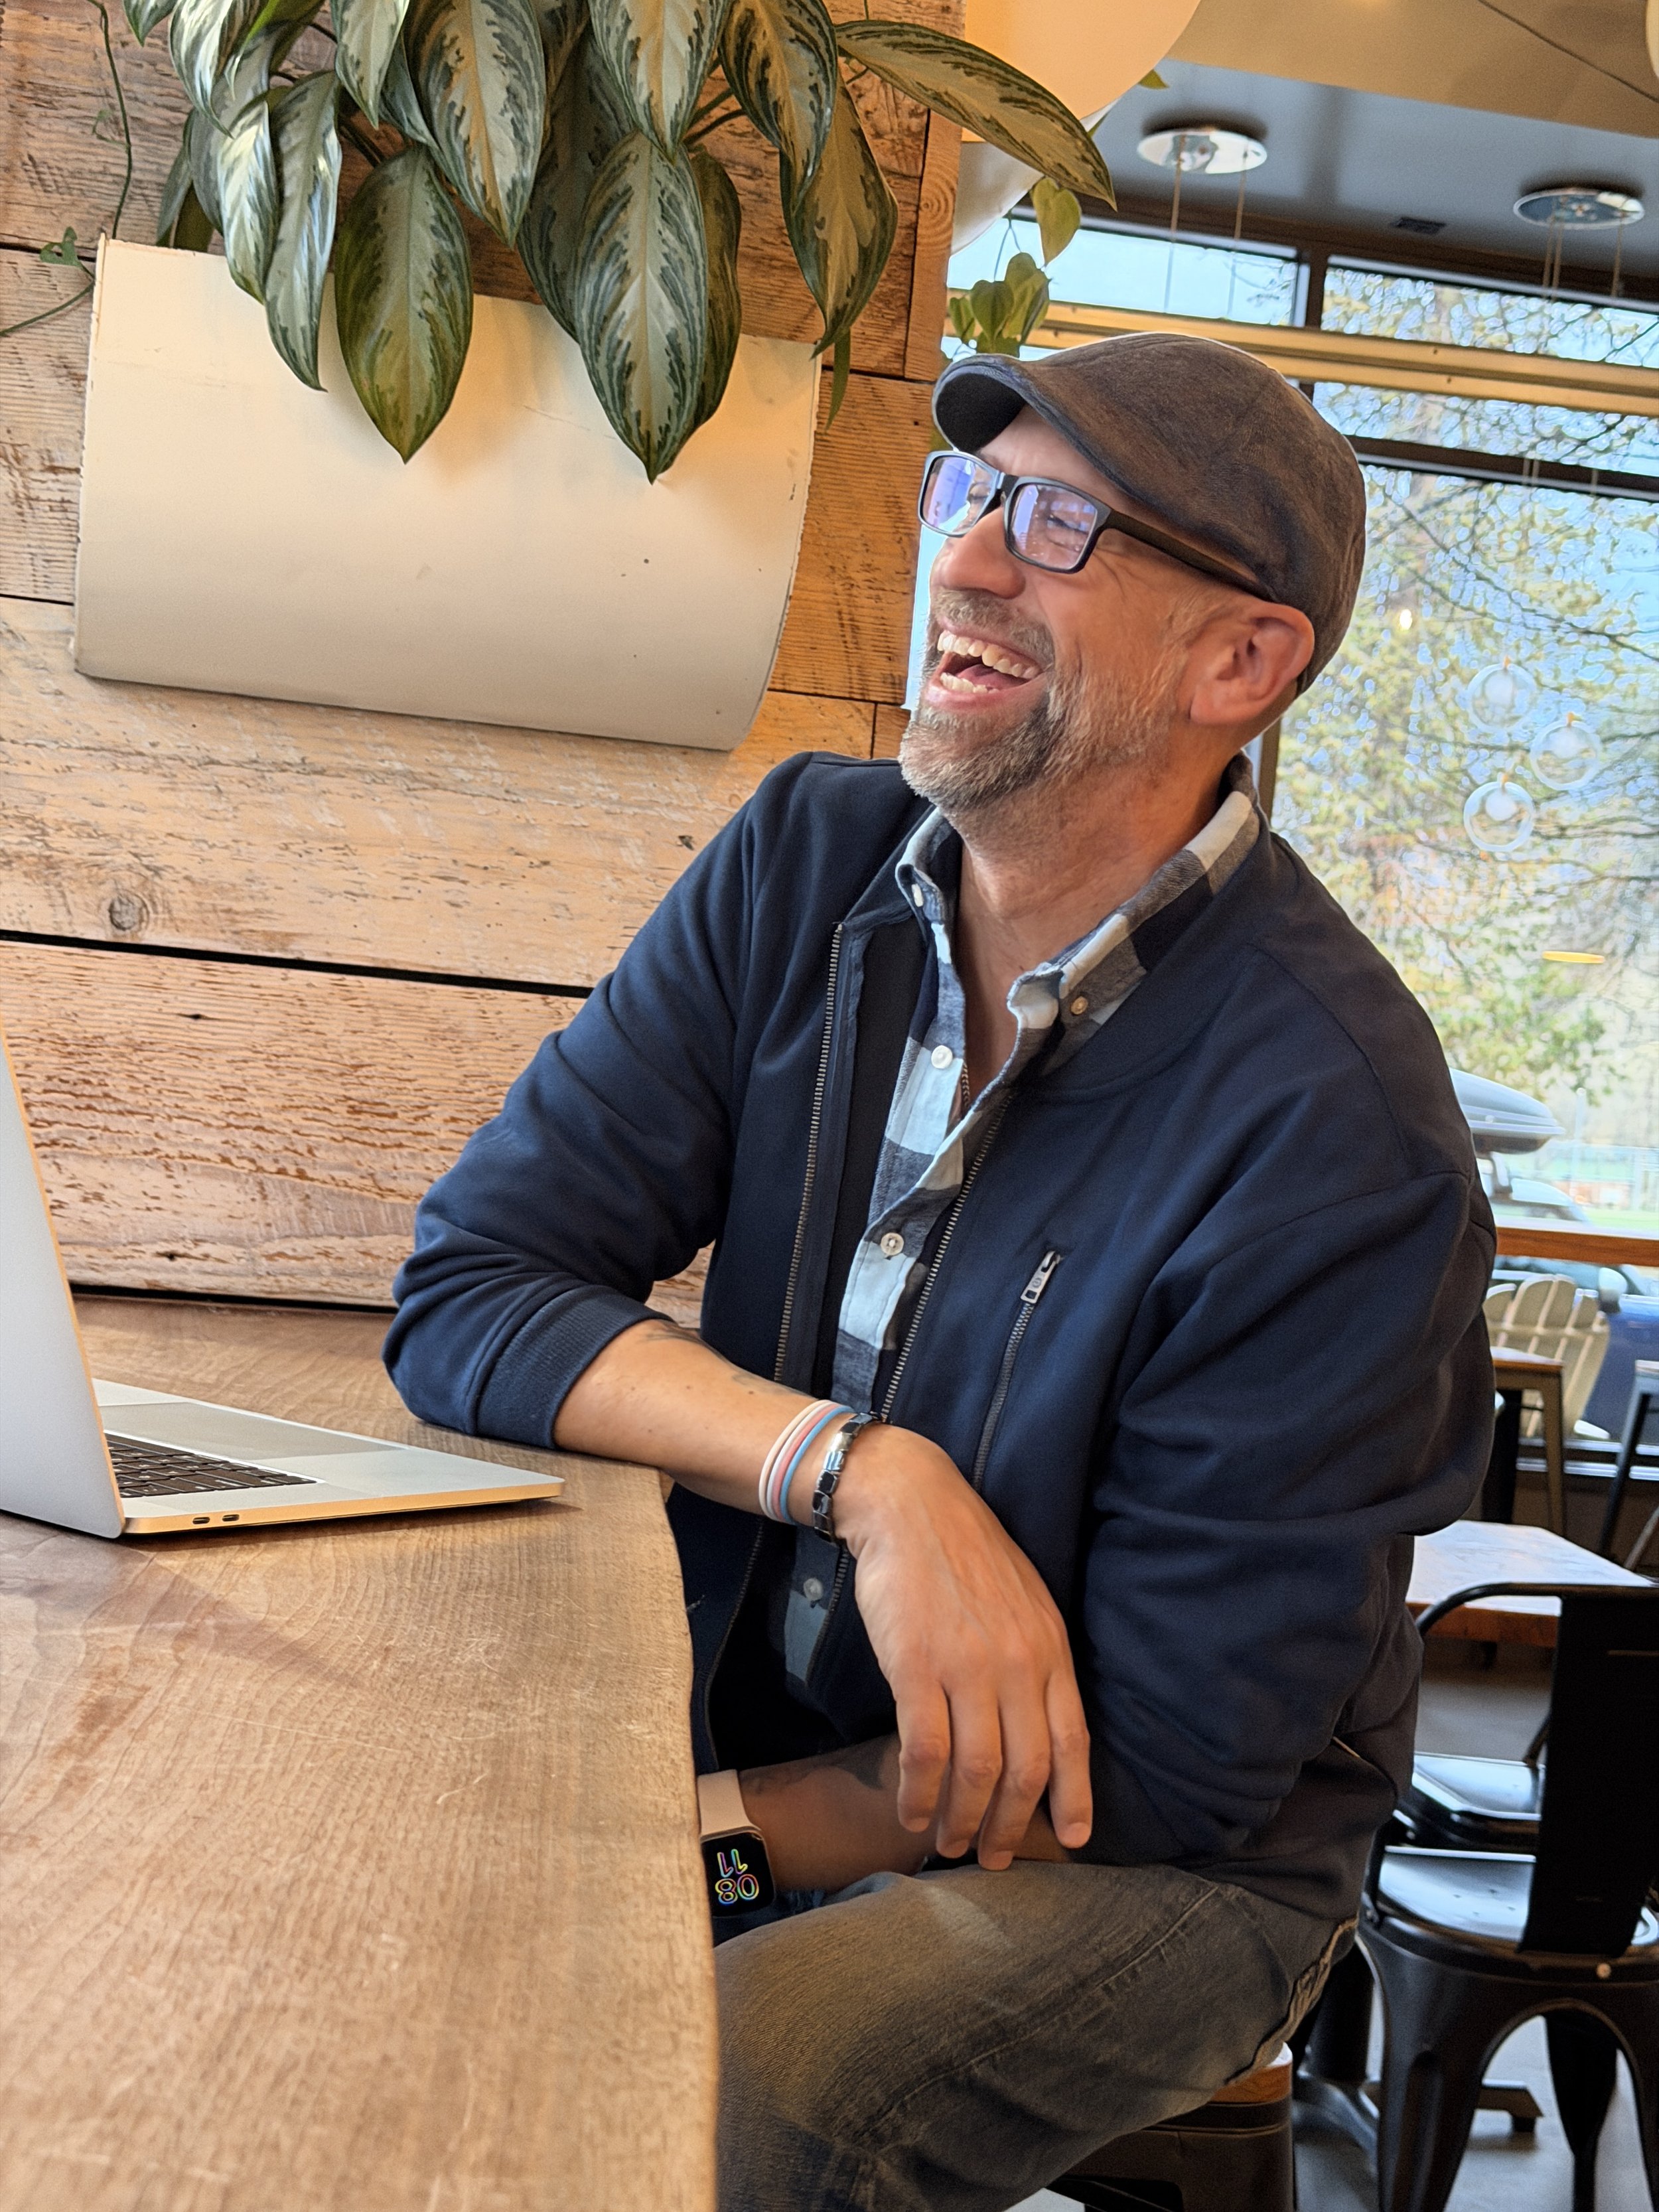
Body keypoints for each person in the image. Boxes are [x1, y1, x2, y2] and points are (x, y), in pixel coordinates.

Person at [386, 332, 1494, 2211]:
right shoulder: (805, 866)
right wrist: (860, 1474)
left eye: (1059, 526)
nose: (967, 559)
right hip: (771, 1725)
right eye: (968, 494)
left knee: (727, 2082)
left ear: (1239, 665)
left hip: (1162, 1864)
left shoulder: (1341, 1134)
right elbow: (476, 1283)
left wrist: (700, 1845)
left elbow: (1164, 1766)